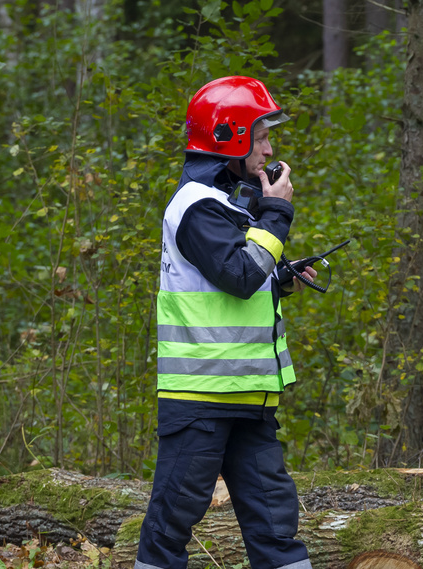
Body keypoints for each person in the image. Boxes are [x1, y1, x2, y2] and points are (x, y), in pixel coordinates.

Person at [134, 76, 316, 569]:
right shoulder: (196, 207)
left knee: (276, 525)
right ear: (228, 137)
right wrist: (277, 212)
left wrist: (281, 278)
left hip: (247, 398)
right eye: (261, 136)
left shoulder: (228, 205)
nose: (269, 148)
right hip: (199, 401)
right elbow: (237, 275)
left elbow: (239, 279)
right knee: (171, 523)